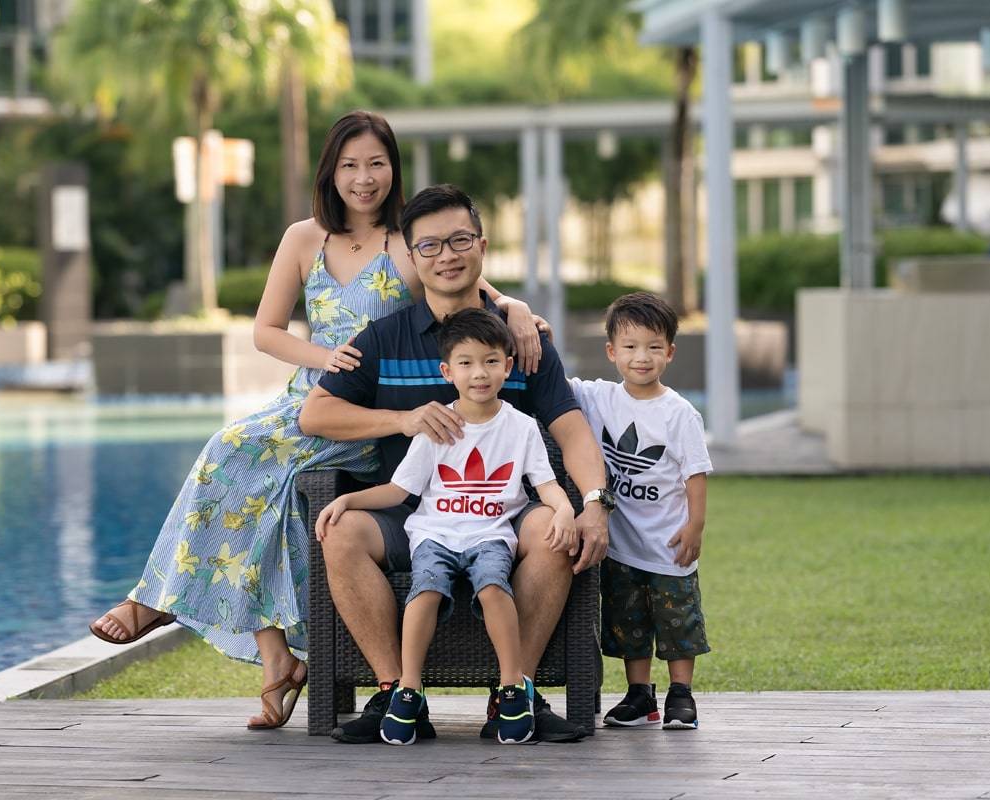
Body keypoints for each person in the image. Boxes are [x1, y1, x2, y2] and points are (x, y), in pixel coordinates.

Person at [87, 112, 548, 730]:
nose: (364, 179)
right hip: (309, 399)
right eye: (350, 165)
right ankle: (269, 651)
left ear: (394, 169)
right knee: (236, 465)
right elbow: (265, 331)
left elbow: (470, 282)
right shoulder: (304, 238)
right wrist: (322, 356)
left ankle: (167, 607)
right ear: (330, 171)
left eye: (377, 164)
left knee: (243, 466)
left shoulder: (405, 242)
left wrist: (518, 309)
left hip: (369, 414)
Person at [299, 184, 615, 744]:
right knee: (341, 530)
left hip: (503, 517)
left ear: (482, 246)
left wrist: (593, 503)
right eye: (429, 246)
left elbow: (572, 430)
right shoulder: (383, 338)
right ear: (412, 258)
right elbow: (315, 414)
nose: (446, 255)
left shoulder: (522, 341)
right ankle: (397, 694)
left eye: (459, 240)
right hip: (410, 513)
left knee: (550, 527)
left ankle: (513, 692)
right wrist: (399, 421)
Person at [314, 308, 577, 745]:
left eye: (491, 361)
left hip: (492, 534)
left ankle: (514, 687)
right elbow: (399, 490)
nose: (480, 373)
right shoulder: (439, 426)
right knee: (426, 591)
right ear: (448, 371)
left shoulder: (522, 427)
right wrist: (348, 499)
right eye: (467, 363)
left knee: (494, 587)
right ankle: (407, 690)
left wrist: (566, 509)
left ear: (508, 366)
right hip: (434, 534)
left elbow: (545, 484)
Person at [568, 291, 712, 730]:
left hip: (668, 544)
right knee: (629, 623)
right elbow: (551, 377)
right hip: (622, 547)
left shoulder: (679, 414)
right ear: (611, 352)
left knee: (676, 621)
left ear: (669, 351)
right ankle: (639, 695)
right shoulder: (599, 399)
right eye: (630, 347)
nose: (641, 357)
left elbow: (695, 475)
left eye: (653, 347)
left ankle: (681, 695)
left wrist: (695, 527)